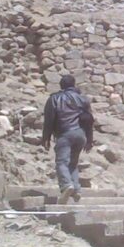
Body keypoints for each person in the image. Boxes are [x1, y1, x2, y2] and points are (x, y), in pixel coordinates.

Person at [42, 74, 94, 204]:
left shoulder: (54, 99)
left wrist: (46, 138)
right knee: (73, 163)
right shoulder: (83, 99)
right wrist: (89, 139)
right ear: (74, 85)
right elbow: (89, 120)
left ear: (61, 86)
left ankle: (66, 186)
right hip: (80, 134)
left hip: (65, 133)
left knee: (62, 162)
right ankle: (76, 189)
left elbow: (49, 120)